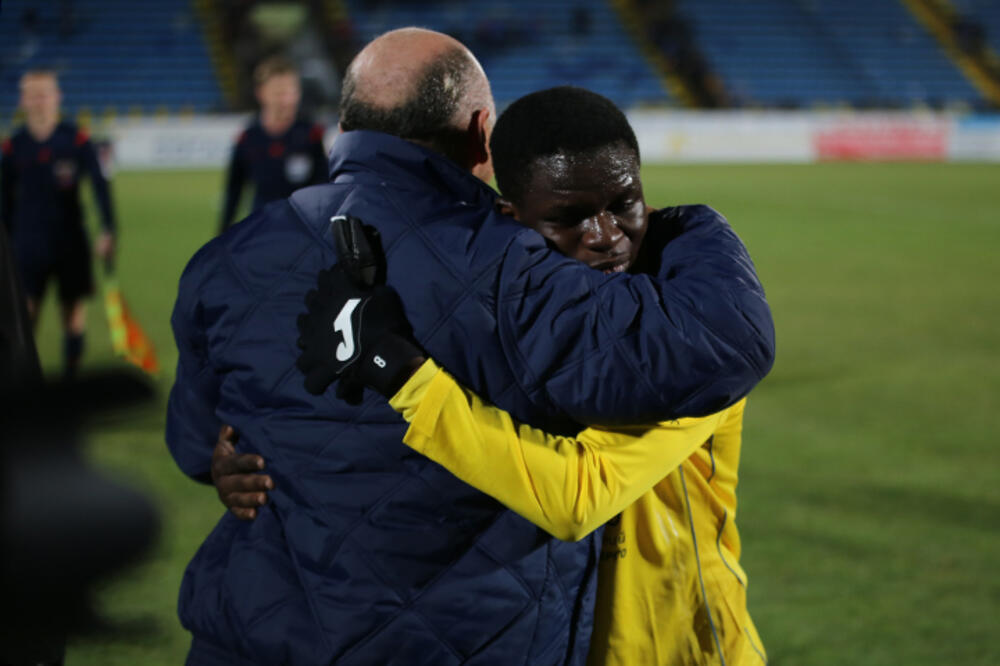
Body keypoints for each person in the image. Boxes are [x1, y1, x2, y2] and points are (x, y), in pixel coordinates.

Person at [168, 28, 774, 665]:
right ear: (484, 131)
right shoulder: (529, 270)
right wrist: (696, 228)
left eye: (622, 205)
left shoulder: (222, 264)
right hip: (481, 641)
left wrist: (222, 463)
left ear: (346, 124)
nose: (602, 238)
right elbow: (723, 345)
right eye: (572, 217)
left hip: (252, 634)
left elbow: (194, 441)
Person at [1, 69, 116, 378]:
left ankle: (71, 381)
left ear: (57, 97)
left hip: (70, 243)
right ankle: (22, 386)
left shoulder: (76, 140)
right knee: (24, 320)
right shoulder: (13, 147)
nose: (40, 101)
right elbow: (4, 203)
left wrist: (108, 230)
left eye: (45, 94)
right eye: (33, 95)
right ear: (23, 100)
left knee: (73, 317)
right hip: (27, 245)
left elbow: (101, 187)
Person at [218, 55, 328, 234]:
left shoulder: (311, 133)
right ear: (261, 93)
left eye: (292, 92)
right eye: (279, 93)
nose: (287, 100)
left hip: (304, 231)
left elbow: (325, 185)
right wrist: (222, 236)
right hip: (262, 230)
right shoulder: (248, 138)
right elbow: (234, 191)